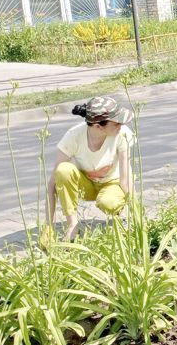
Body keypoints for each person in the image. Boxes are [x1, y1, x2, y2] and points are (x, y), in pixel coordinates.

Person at [46, 96, 135, 241]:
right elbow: (52, 184)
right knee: (63, 169)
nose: (122, 124)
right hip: (85, 186)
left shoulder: (122, 133)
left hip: (113, 184)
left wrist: (136, 214)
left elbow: (126, 179)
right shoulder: (73, 136)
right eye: (117, 122)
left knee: (109, 203)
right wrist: (48, 227)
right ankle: (72, 225)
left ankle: (121, 216)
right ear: (98, 126)